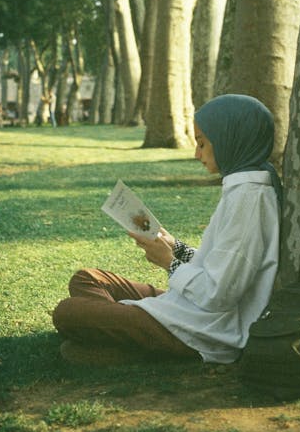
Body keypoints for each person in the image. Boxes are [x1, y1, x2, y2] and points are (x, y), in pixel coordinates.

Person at [52, 93, 282, 365]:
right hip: (191, 310)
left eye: (202, 144)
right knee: (87, 278)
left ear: (230, 141)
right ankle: (124, 333)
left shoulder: (249, 200)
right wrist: (176, 248)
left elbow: (219, 294)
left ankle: (124, 338)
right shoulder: (242, 189)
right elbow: (220, 265)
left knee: (67, 312)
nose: (196, 154)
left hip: (206, 329)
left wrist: (168, 262)